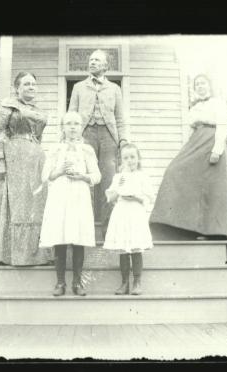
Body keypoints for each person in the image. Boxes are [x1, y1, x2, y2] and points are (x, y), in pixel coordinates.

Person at [149, 74, 227, 242]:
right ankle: (181, 228)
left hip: (212, 141)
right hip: (196, 142)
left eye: (203, 83)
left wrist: (217, 150)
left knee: (212, 188)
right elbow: (190, 131)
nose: (200, 87)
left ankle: (213, 232)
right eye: (197, 84)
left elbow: (222, 126)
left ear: (210, 86)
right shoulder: (193, 109)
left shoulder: (218, 103)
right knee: (174, 171)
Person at [0, 71, 52, 266]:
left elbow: (38, 136)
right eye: (26, 84)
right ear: (17, 88)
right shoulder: (7, 107)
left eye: (33, 84)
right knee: (16, 205)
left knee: (35, 204)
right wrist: (0, 160)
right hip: (14, 158)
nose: (31, 87)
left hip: (35, 158)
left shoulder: (38, 111)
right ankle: (11, 255)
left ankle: (35, 255)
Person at [39, 112, 101, 296]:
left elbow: (97, 175)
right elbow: (45, 176)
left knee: (78, 238)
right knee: (60, 237)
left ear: (81, 127)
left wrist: (82, 176)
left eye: (76, 124)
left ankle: (77, 282)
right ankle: (60, 283)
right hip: (60, 195)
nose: (73, 127)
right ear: (62, 127)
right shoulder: (55, 149)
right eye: (68, 124)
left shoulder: (87, 150)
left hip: (79, 195)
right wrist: (59, 171)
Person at [68, 49, 127, 234]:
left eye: (97, 60)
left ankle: (108, 229)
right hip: (85, 135)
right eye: (91, 59)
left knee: (108, 179)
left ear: (105, 66)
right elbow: (71, 115)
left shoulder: (115, 89)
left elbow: (120, 118)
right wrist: (70, 139)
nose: (92, 62)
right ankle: (86, 227)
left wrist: (123, 140)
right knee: (86, 178)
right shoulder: (78, 87)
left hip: (109, 137)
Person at [103, 143, 153, 295]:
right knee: (123, 249)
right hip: (122, 213)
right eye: (126, 158)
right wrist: (118, 188)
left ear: (138, 158)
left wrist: (137, 197)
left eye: (132, 157)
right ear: (121, 161)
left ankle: (137, 282)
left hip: (136, 213)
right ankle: (124, 283)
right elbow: (111, 197)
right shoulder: (118, 177)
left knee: (136, 248)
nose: (129, 160)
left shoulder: (143, 176)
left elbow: (148, 197)